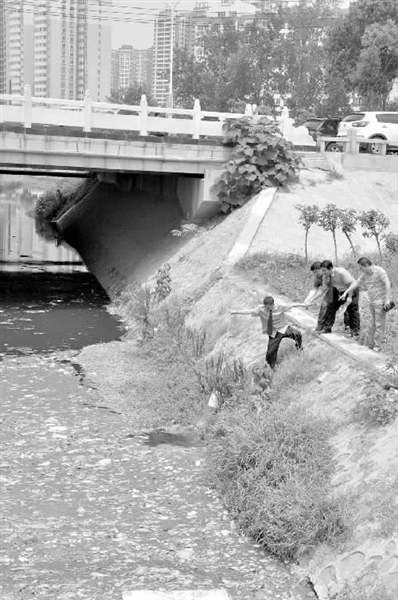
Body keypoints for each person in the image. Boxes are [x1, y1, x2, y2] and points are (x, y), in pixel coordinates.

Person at [231, 295, 305, 370]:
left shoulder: (280, 307)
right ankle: (272, 366)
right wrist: (235, 312)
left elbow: (291, 305)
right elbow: (248, 311)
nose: (267, 309)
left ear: (272, 304)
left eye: (269, 307)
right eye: (266, 307)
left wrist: (303, 304)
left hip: (283, 328)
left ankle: (299, 347)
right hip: (274, 332)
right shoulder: (261, 309)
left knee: (298, 334)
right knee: (270, 353)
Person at [340, 257, 392, 352]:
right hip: (372, 302)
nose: (361, 270)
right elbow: (356, 283)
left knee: (379, 324)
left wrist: (387, 300)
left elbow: (387, 284)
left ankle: (377, 345)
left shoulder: (380, 271)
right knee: (373, 324)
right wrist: (346, 292)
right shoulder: (365, 274)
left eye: (361, 268)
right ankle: (371, 343)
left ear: (367, 265)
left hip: (380, 302)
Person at [305, 260, 360, 337]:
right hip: (340, 291)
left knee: (352, 309)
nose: (323, 273)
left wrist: (349, 297)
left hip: (351, 289)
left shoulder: (341, 272)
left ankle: (355, 333)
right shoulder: (325, 276)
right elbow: (324, 289)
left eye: (325, 271)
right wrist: (312, 298)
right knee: (331, 306)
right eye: (322, 271)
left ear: (331, 268)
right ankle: (327, 328)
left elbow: (351, 284)